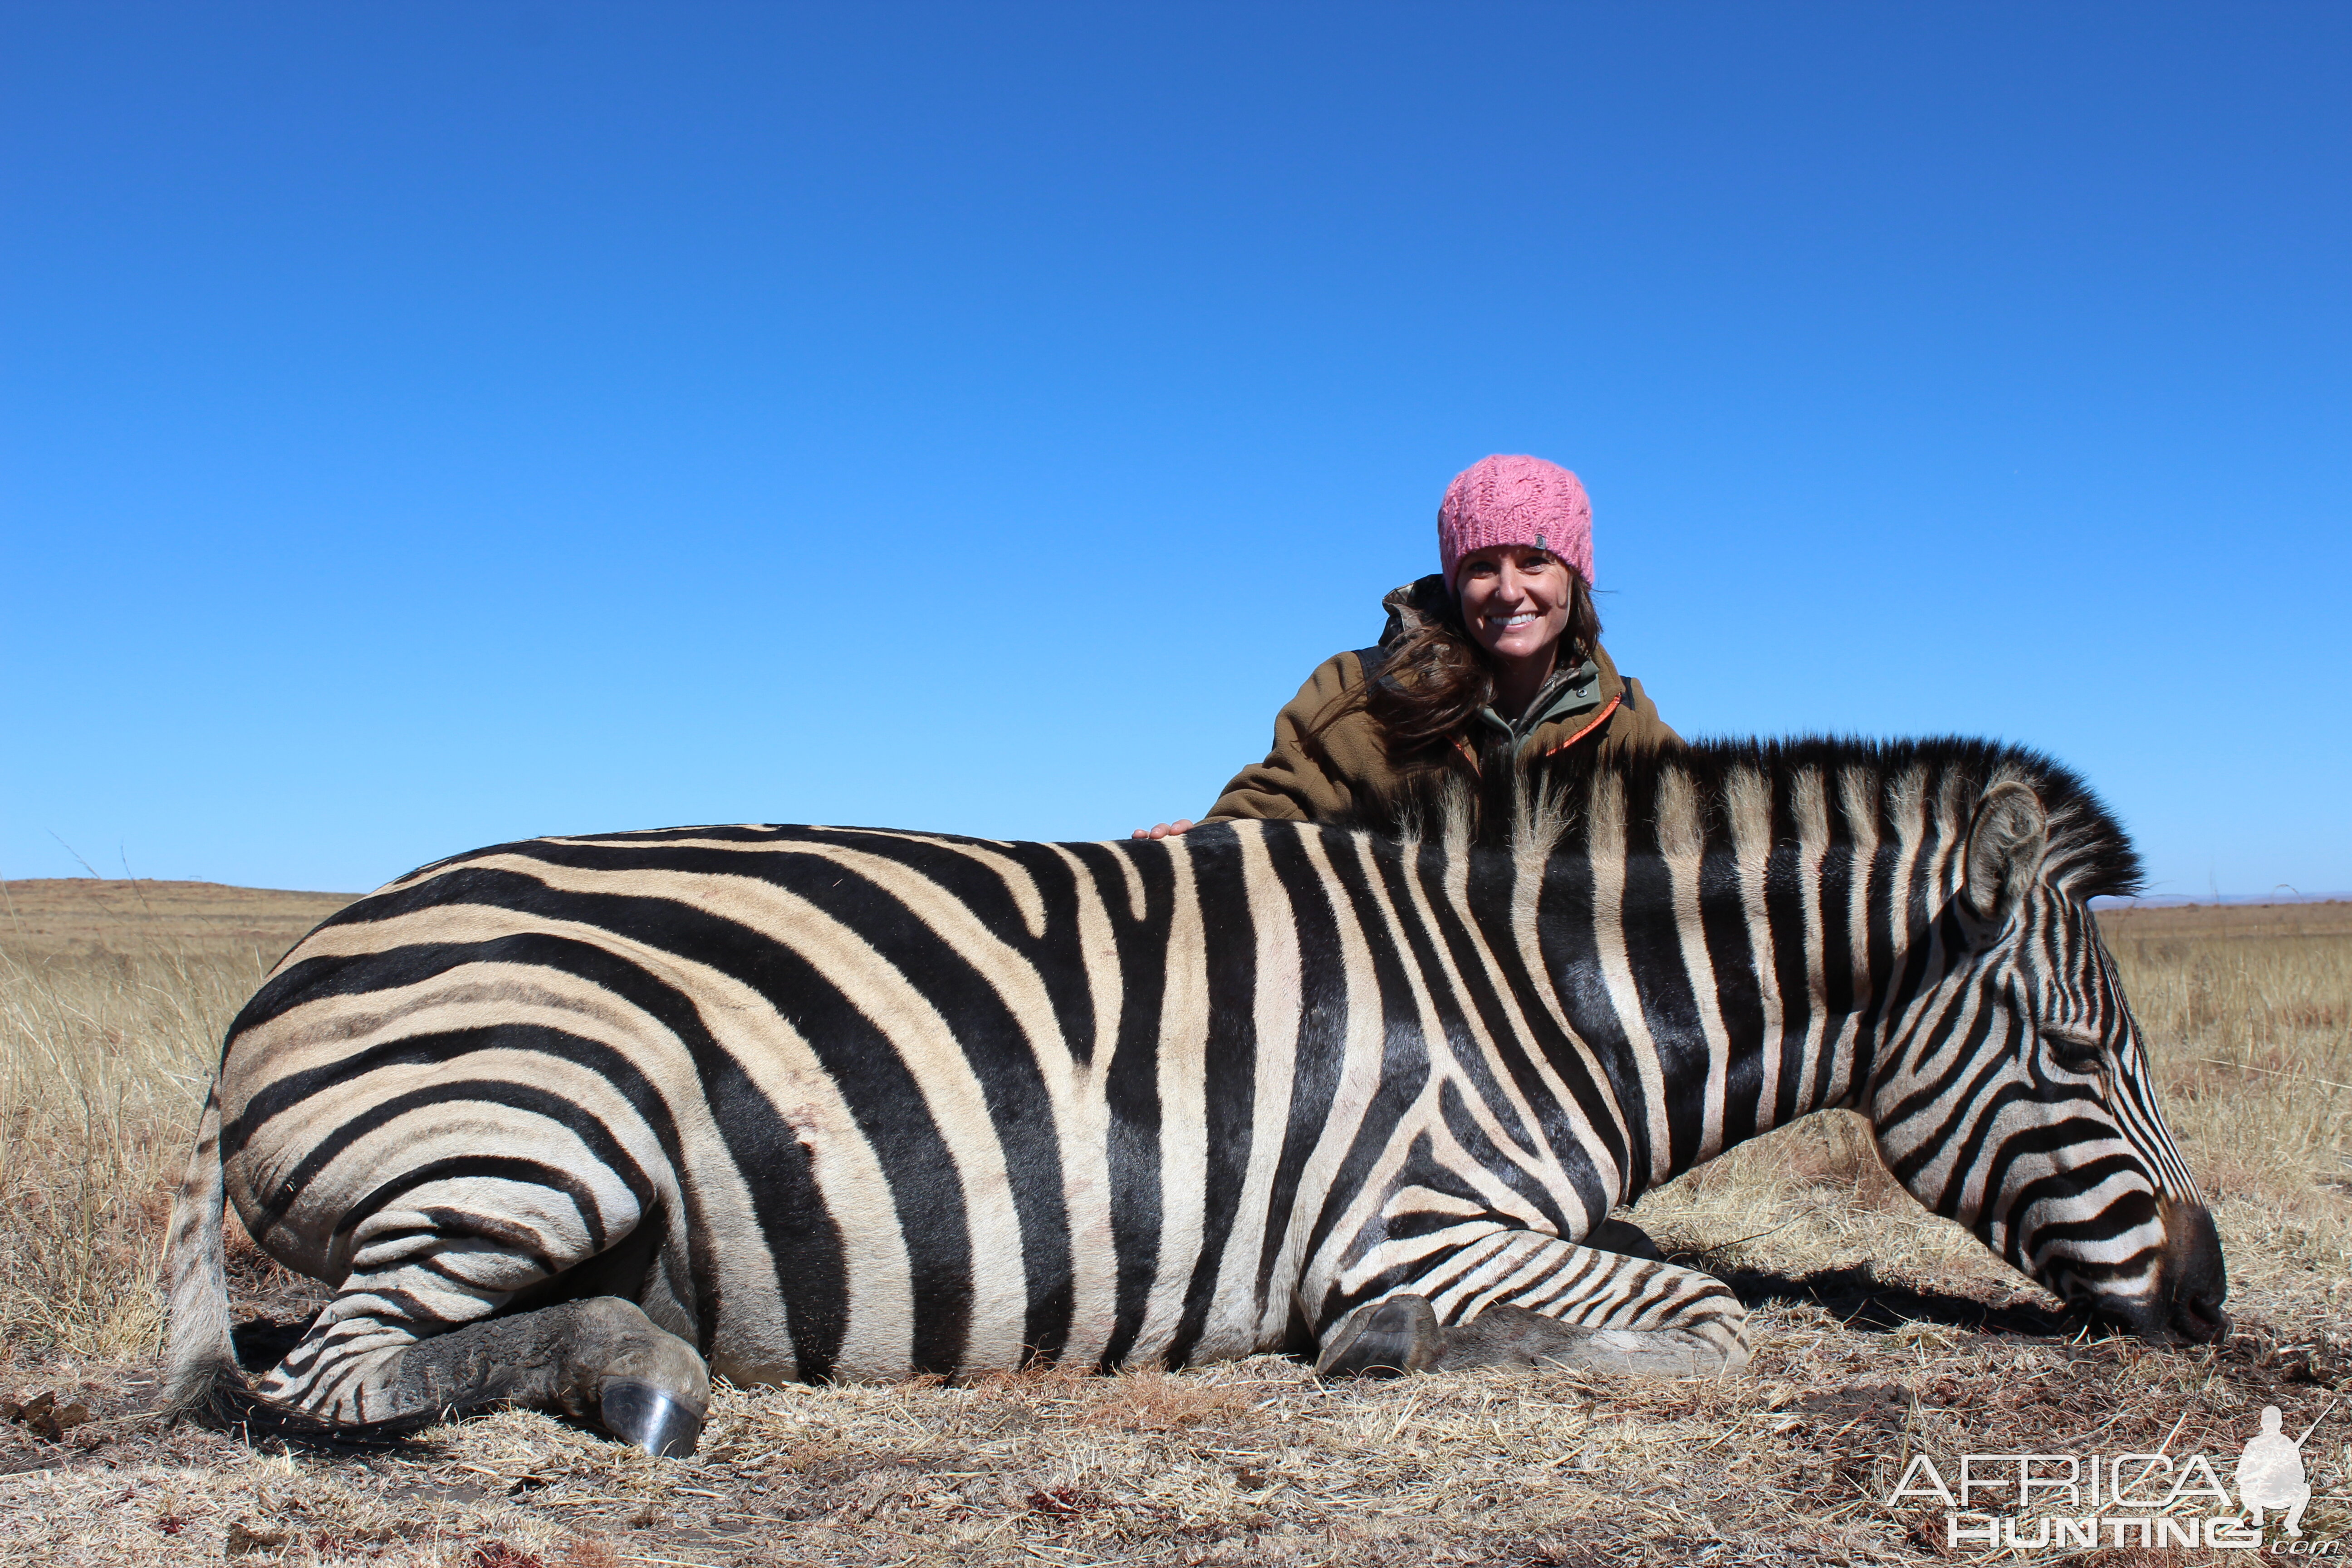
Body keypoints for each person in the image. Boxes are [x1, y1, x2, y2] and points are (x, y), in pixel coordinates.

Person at [1136, 453, 1680, 839]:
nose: (1510, 591)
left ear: (1574, 578)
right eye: (1482, 567)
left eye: (1535, 562)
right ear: (1454, 582)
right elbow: (1269, 810)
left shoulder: (1625, 718)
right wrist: (1202, 843)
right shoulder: (1359, 689)